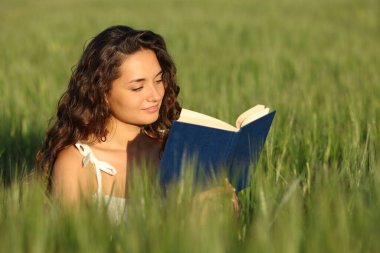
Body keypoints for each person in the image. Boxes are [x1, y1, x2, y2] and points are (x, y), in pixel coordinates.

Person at [36, 25, 238, 216]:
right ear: (102, 92)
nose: (156, 95)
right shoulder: (79, 163)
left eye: (159, 80)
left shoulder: (175, 149)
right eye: (137, 87)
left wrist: (226, 212)